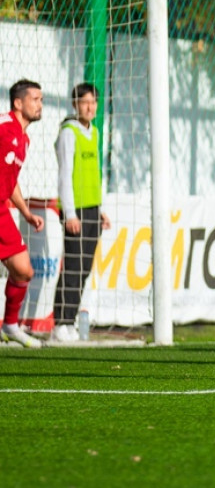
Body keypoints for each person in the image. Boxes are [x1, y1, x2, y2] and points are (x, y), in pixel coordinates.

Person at [50, 82, 110, 343]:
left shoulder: (95, 132)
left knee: (84, 268)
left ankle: (71, 321)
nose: (90, 107)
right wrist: (70, 213)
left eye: (94, 102)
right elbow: (65, 176)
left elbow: (94, 175)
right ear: (75, 104)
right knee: (72, 266)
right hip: (75, 211)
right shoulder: (68, 132)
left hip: (92, 209)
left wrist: (101, 210)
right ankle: (59, 323)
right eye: (85, 102)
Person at [0, 80, 46, 348]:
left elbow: (10, 180)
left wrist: (26, 213)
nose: (40, 104)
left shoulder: (23, 139)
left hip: (2, 209)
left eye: (41, 99)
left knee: (23, 270)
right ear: (18, 103)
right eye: (35, 99)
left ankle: (10, 325)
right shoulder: (4, 127)